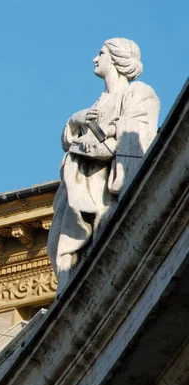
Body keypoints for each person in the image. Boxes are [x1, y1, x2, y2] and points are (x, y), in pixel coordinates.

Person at [47, 38, 159, 289]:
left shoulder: (138, 92)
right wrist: (75, 120)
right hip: (76, 185)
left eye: (101, 53)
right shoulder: (98, 103)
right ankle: (66, 289)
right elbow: (70, 140)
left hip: (103, 187)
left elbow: (137, 132)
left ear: (117, 58)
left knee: (90, 243)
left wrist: (106, 132)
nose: (95, 59)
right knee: (57, 243)